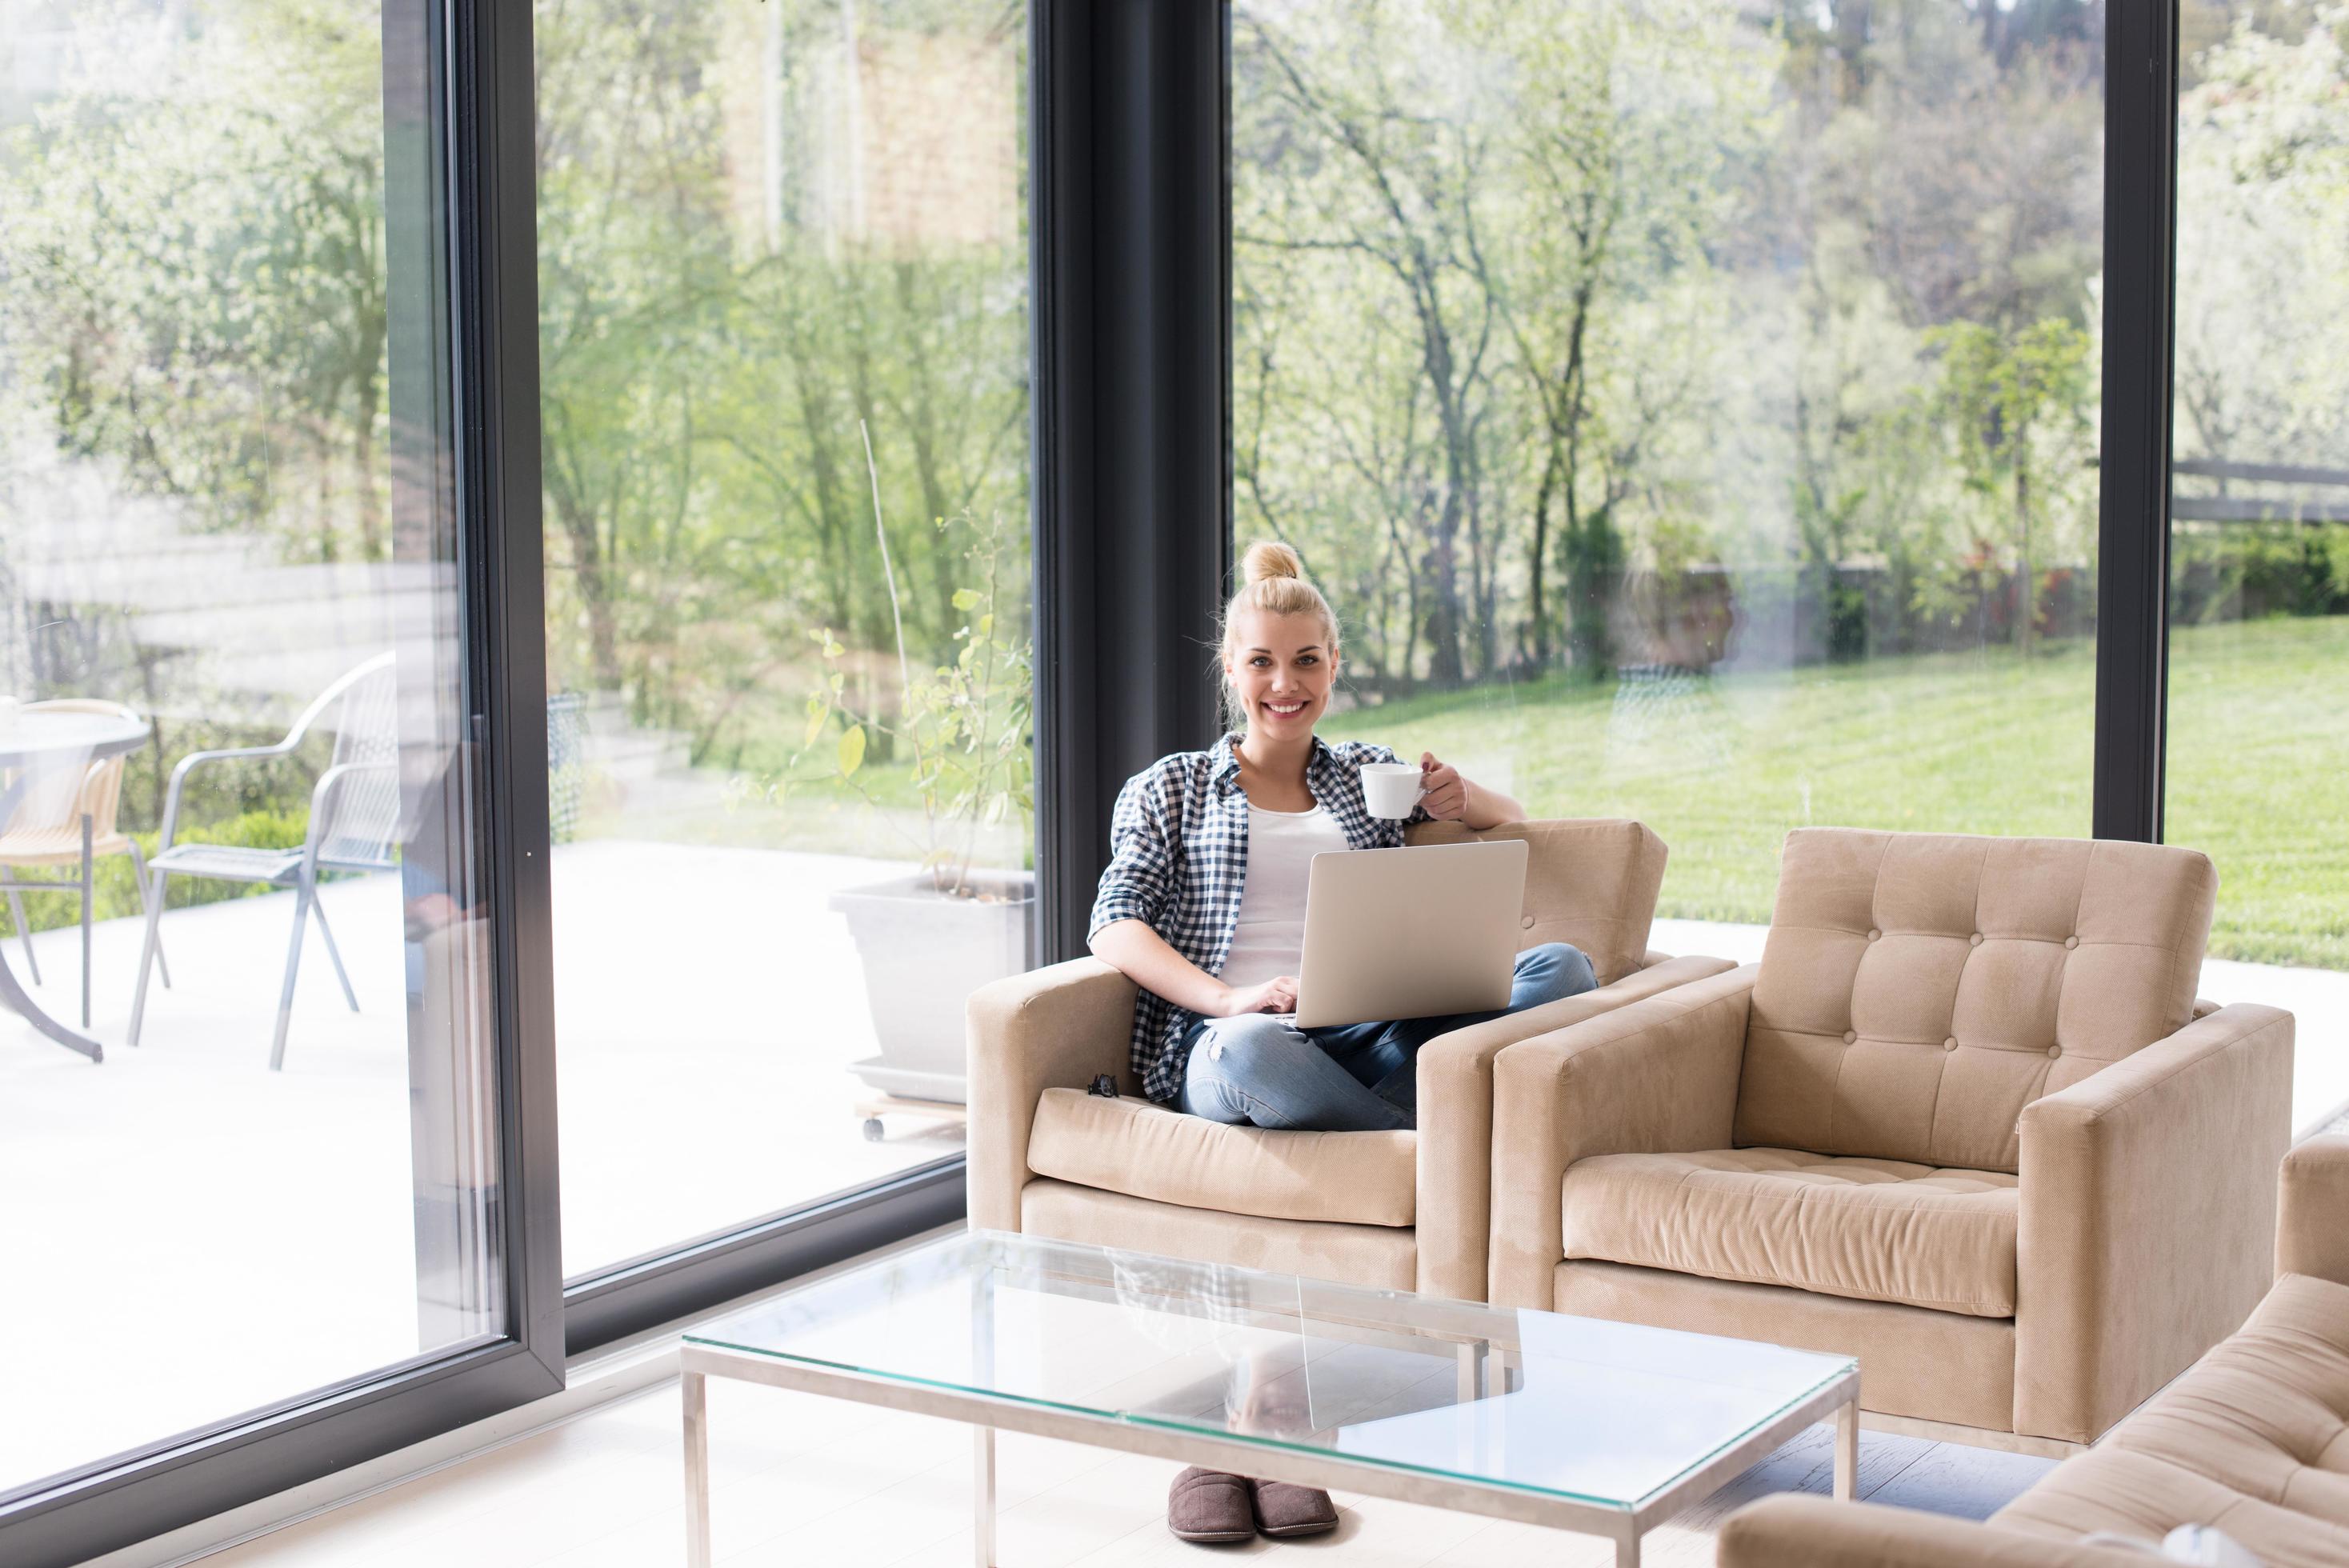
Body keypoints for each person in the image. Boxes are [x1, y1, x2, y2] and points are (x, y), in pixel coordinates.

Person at [1087, 540, 1600, 1544]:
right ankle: (1277, 1395)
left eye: (1307, 661)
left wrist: (1466, 801)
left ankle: (1257, 1405)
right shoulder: (1170, 789)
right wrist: (1229, 996)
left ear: (1333, 664)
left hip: (1366, 1033)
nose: (1286, 684)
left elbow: (1516, 819)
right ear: (1230, 671)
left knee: (1565, 970)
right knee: (1246, 1055)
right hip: (1236, 1044)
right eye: (1263, 663)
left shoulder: (1370, 776)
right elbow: (1112, 922)